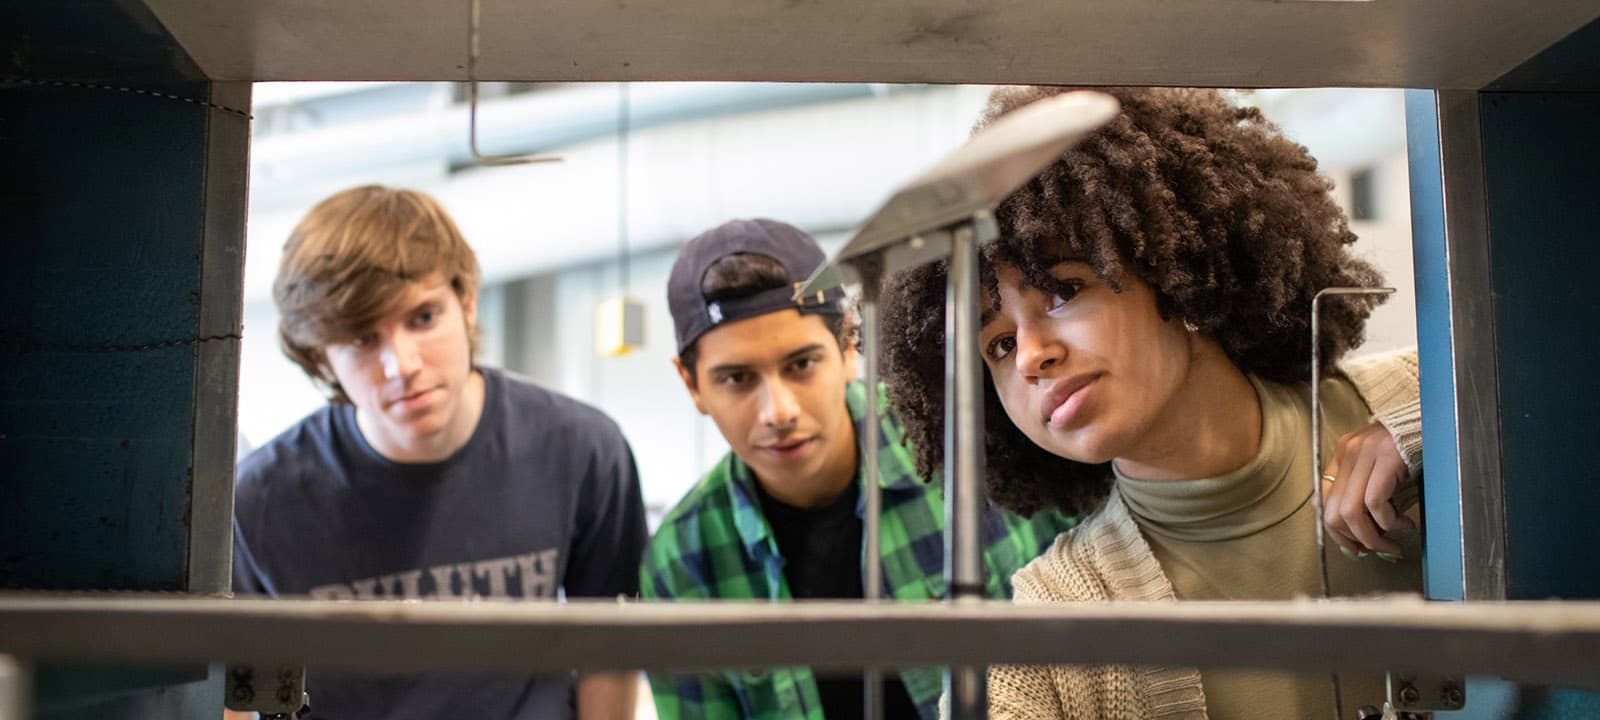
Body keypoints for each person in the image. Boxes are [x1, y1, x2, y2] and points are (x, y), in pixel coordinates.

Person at [879, 86, 1425, 719]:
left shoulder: (1423, 395)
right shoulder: (1053, 628)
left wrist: (1439, 435)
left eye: (1064, 290)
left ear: (1176, 270)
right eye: (998, 344)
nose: (1030, 356)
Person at [231, 185, 647, 720]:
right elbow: (236, 692)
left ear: (466, 302)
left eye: (423, 317)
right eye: (362, 340)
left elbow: (609, 652)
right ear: (320, 358)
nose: (401, 364)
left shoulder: (584, 450)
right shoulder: (262, 499)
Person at [639, 219, 1079, 720]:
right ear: (692, 384)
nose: (778, 411)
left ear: (848, 346)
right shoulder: (682, 561)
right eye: (736, 378)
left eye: (801, 364)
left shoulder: (968, 437)